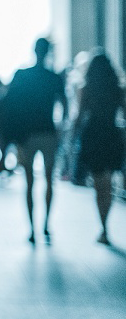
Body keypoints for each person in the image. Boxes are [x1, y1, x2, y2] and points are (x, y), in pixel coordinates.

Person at [0, 37, 68, 244]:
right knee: (48, 180)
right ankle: (45, 224)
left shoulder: (22, 75)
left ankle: (32, 228)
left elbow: (8, 104)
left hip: (26, 135)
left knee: (29, 182)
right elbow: (64, 105)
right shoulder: (53, 77)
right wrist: (61, 129)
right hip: (47, 133)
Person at [72, 51, 126, 245]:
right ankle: (105, 225)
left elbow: (79, 116)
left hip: (93, 135)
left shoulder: (86, 88)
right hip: (111, 134)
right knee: (109, 184)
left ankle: (103, 227)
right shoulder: (117, 88)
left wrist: (73, 139)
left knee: (98, 184)